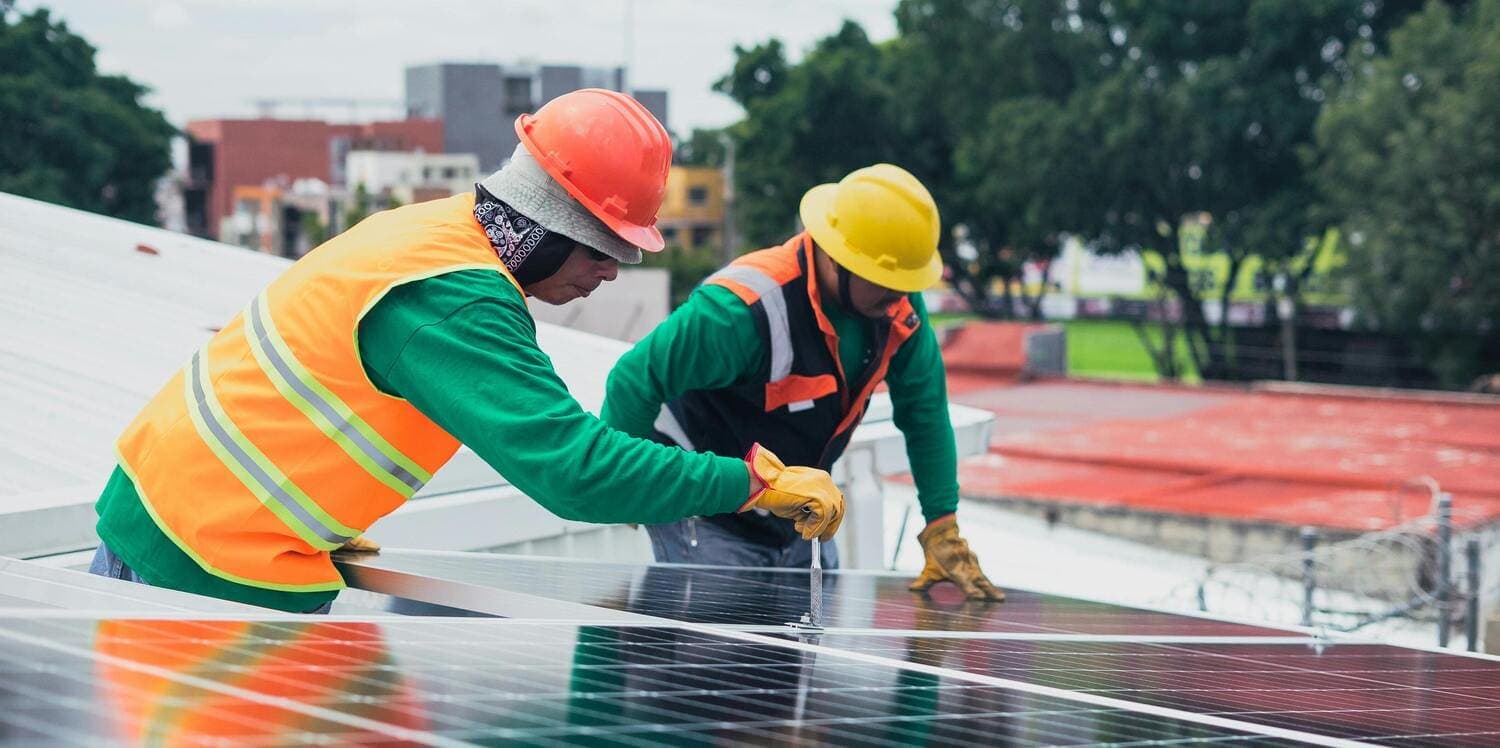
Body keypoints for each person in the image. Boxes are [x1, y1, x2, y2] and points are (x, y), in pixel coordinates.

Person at [88, 89, 844, 613]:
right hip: (201, 556)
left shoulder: (437, 232)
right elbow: (573, 473)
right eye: (606, 248)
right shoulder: (456, 299)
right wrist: (751, 482)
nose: (612, 271)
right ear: (552, 220)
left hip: (191, 519)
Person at [601, 164, 1002, 600]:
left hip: (799, 515)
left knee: (799, 654)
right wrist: (629, 487)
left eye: (905, 284)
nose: (899, 297)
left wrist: (942, 524)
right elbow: (633, 380)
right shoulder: (741, 310)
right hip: (709, 513)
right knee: (720, 651)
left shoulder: (897, 311)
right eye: (886, 282)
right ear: (836, 257)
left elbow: (924, 414)